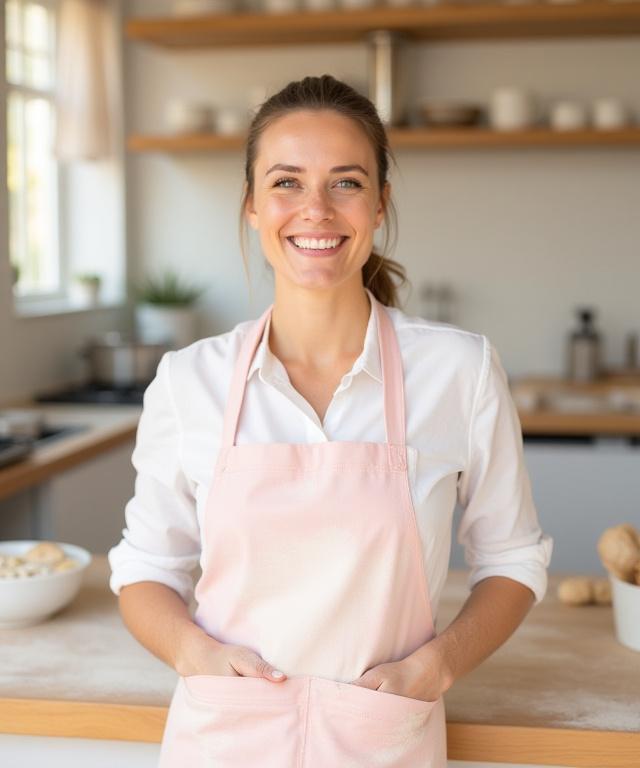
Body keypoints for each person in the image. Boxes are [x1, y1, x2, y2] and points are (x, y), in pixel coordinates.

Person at [108, 74, 553, 767]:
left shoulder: (459, 371)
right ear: (252, 205)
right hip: (224, 740)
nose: (315, 209)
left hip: (384, 739)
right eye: (286, 182)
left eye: (345, 182)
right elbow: (145, 567)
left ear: (380, 205)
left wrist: (436, 667)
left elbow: (513, 558)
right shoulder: (188, 380)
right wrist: (192, 652)